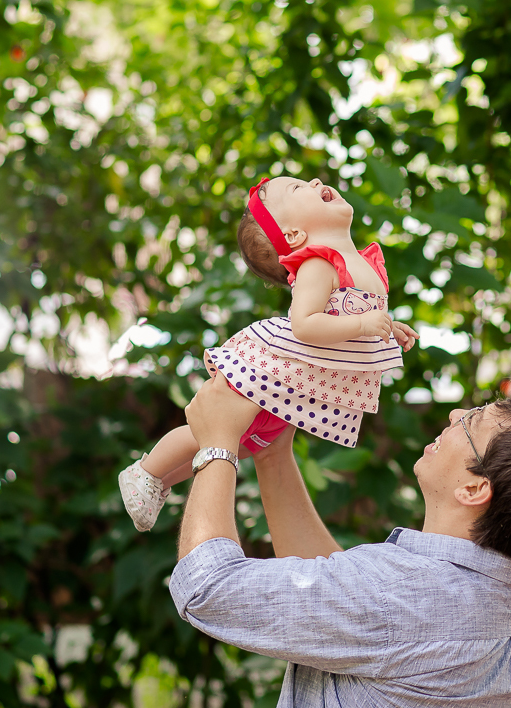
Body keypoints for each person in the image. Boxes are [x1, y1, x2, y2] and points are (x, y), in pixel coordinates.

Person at [169, 374, 511, 708]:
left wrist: (217, 445)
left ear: (474, 488)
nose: (456, 413)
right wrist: (272, 455)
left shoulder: (403, 594)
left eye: (474, 420)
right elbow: (344, 605)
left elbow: (206, 588)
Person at [119, 176, 420, 531]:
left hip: (296, 385)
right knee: (209, 430)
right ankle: (146, 471)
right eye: (297, 188)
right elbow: (305, 324)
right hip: (273, 370)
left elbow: (354, 317)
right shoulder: (320, 265)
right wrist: (363, 326)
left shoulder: (363, 264)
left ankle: (161, 483)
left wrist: (385, 328)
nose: (316, 180)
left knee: (246, 446)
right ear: (293, 236)